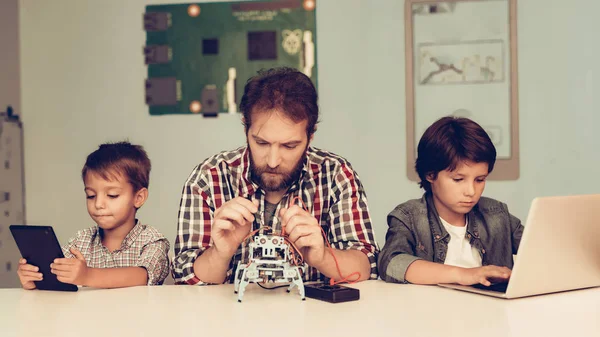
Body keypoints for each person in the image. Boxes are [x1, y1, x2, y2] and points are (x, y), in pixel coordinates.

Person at [173, 67, 379, 285]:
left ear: (311, 136)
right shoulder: (208, 178)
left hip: (316, 318)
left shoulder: (336, 175)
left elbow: (366, 265)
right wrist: (220, 254)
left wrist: (323, 257)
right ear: (246, 129)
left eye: (289, 146)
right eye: (261, 143)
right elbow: (186, 279)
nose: (272, 161)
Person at [378, 116, 523, 286]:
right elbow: (391, 263)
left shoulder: (497, 214)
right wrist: (464, 275)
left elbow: (542, 248)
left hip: (494, 311)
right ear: (430, 174)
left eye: (480, 179)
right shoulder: (409, 217)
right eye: (458, 179)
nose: (471, 191)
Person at [17, 141, 170, 289]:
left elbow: (142, 276)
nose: (98, 204)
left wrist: (87, 275)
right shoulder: (80, 242)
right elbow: (58, 275)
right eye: (91, 195)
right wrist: (36, 279)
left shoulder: (152, 241)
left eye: (112, 195)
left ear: (138, 198)